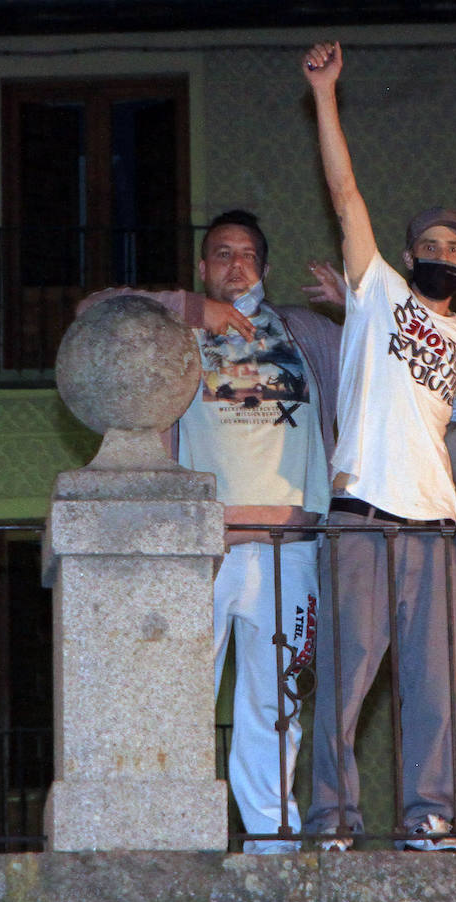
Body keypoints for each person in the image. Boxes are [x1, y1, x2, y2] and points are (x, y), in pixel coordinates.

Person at [77, 209, 341, 853]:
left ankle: (272, 845)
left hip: (290, 553)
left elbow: (383, 347)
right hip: (202, 552)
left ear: (265, 268)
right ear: (202, 267)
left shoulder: (303, 332)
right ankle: (172, 839)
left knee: (276, 708)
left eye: (248, 254)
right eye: (221, 254)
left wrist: (353, 301)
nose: (236, 264)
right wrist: (193, 308)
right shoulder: (175, 330)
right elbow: (95, 308)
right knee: (179, 696)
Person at [302, 41, 456, 853]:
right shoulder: (378, 293)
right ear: (409, 257)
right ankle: (334, 822)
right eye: (430, 246)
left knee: (433, 692)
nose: (441, 254)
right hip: (362, 518)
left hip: (436, 532)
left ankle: (429, 820)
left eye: (454, 248)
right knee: (343, 681)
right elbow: (344, 195)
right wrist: (325, 95)